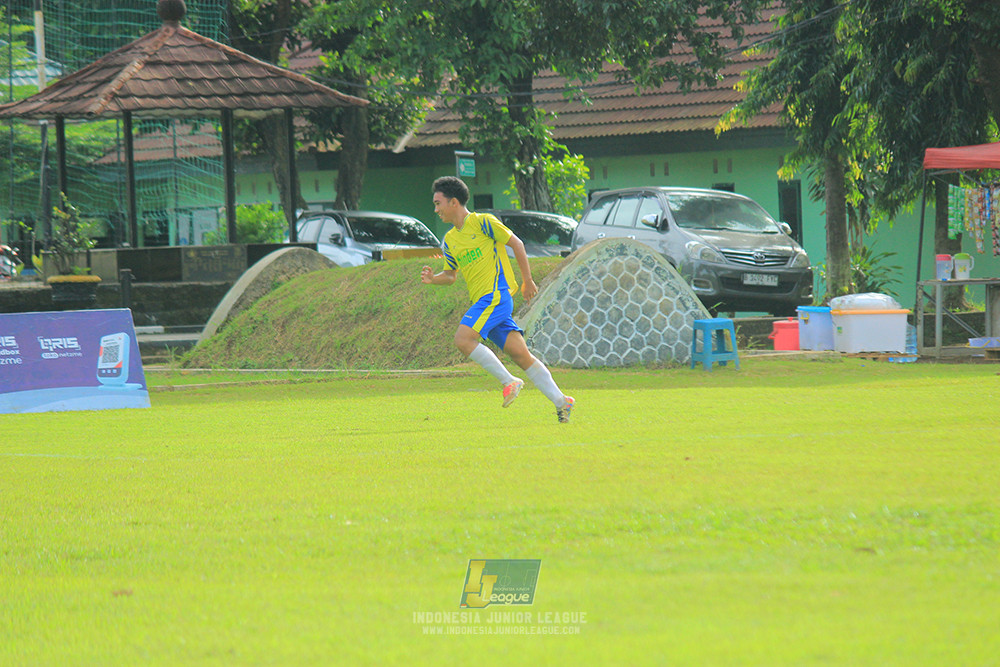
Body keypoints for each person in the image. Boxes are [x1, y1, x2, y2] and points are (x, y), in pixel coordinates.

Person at [421, 176, 574, 423]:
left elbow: (517, 244)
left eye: (438, 203)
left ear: (454, 202)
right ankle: (561, 401)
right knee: (521, 355)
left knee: (463, 339)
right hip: (485, 301)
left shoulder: (483, 222)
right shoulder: (449, 240)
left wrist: (527, 281)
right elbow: (450, 275)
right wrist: (433, 279)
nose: (436, 209)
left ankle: (509, 381)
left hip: (496, 296)